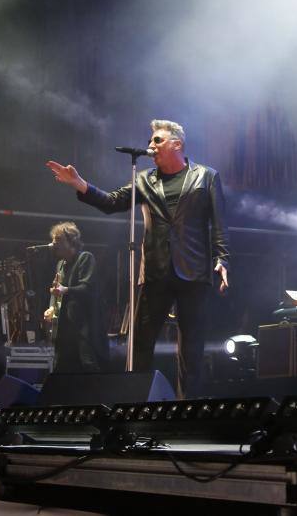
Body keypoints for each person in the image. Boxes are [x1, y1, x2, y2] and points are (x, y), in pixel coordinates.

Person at [46, 120, 230, 398]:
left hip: (193, 271)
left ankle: (186, 408)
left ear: (176, 144)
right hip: (155, 270)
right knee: (141, 343)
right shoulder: (144, 179)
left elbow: (219, 224)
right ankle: (139, 406)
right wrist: (80, 184)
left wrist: (222, 259)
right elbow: (111, 202)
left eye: (157, 140)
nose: (150, 146)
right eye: (150, 141)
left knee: (191, 347)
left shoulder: (206, 177)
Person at [43, 221, 108, 373]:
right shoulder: (60, 264)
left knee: (87, 364)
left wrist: (65, 290)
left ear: (71, 241)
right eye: (53, 239)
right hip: (65, 326)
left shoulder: (85, 258)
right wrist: (51, 308)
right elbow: (57, 291)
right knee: (63, 366)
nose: (53, 243)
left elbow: (88, 288)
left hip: (83, 325)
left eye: (58, 240)